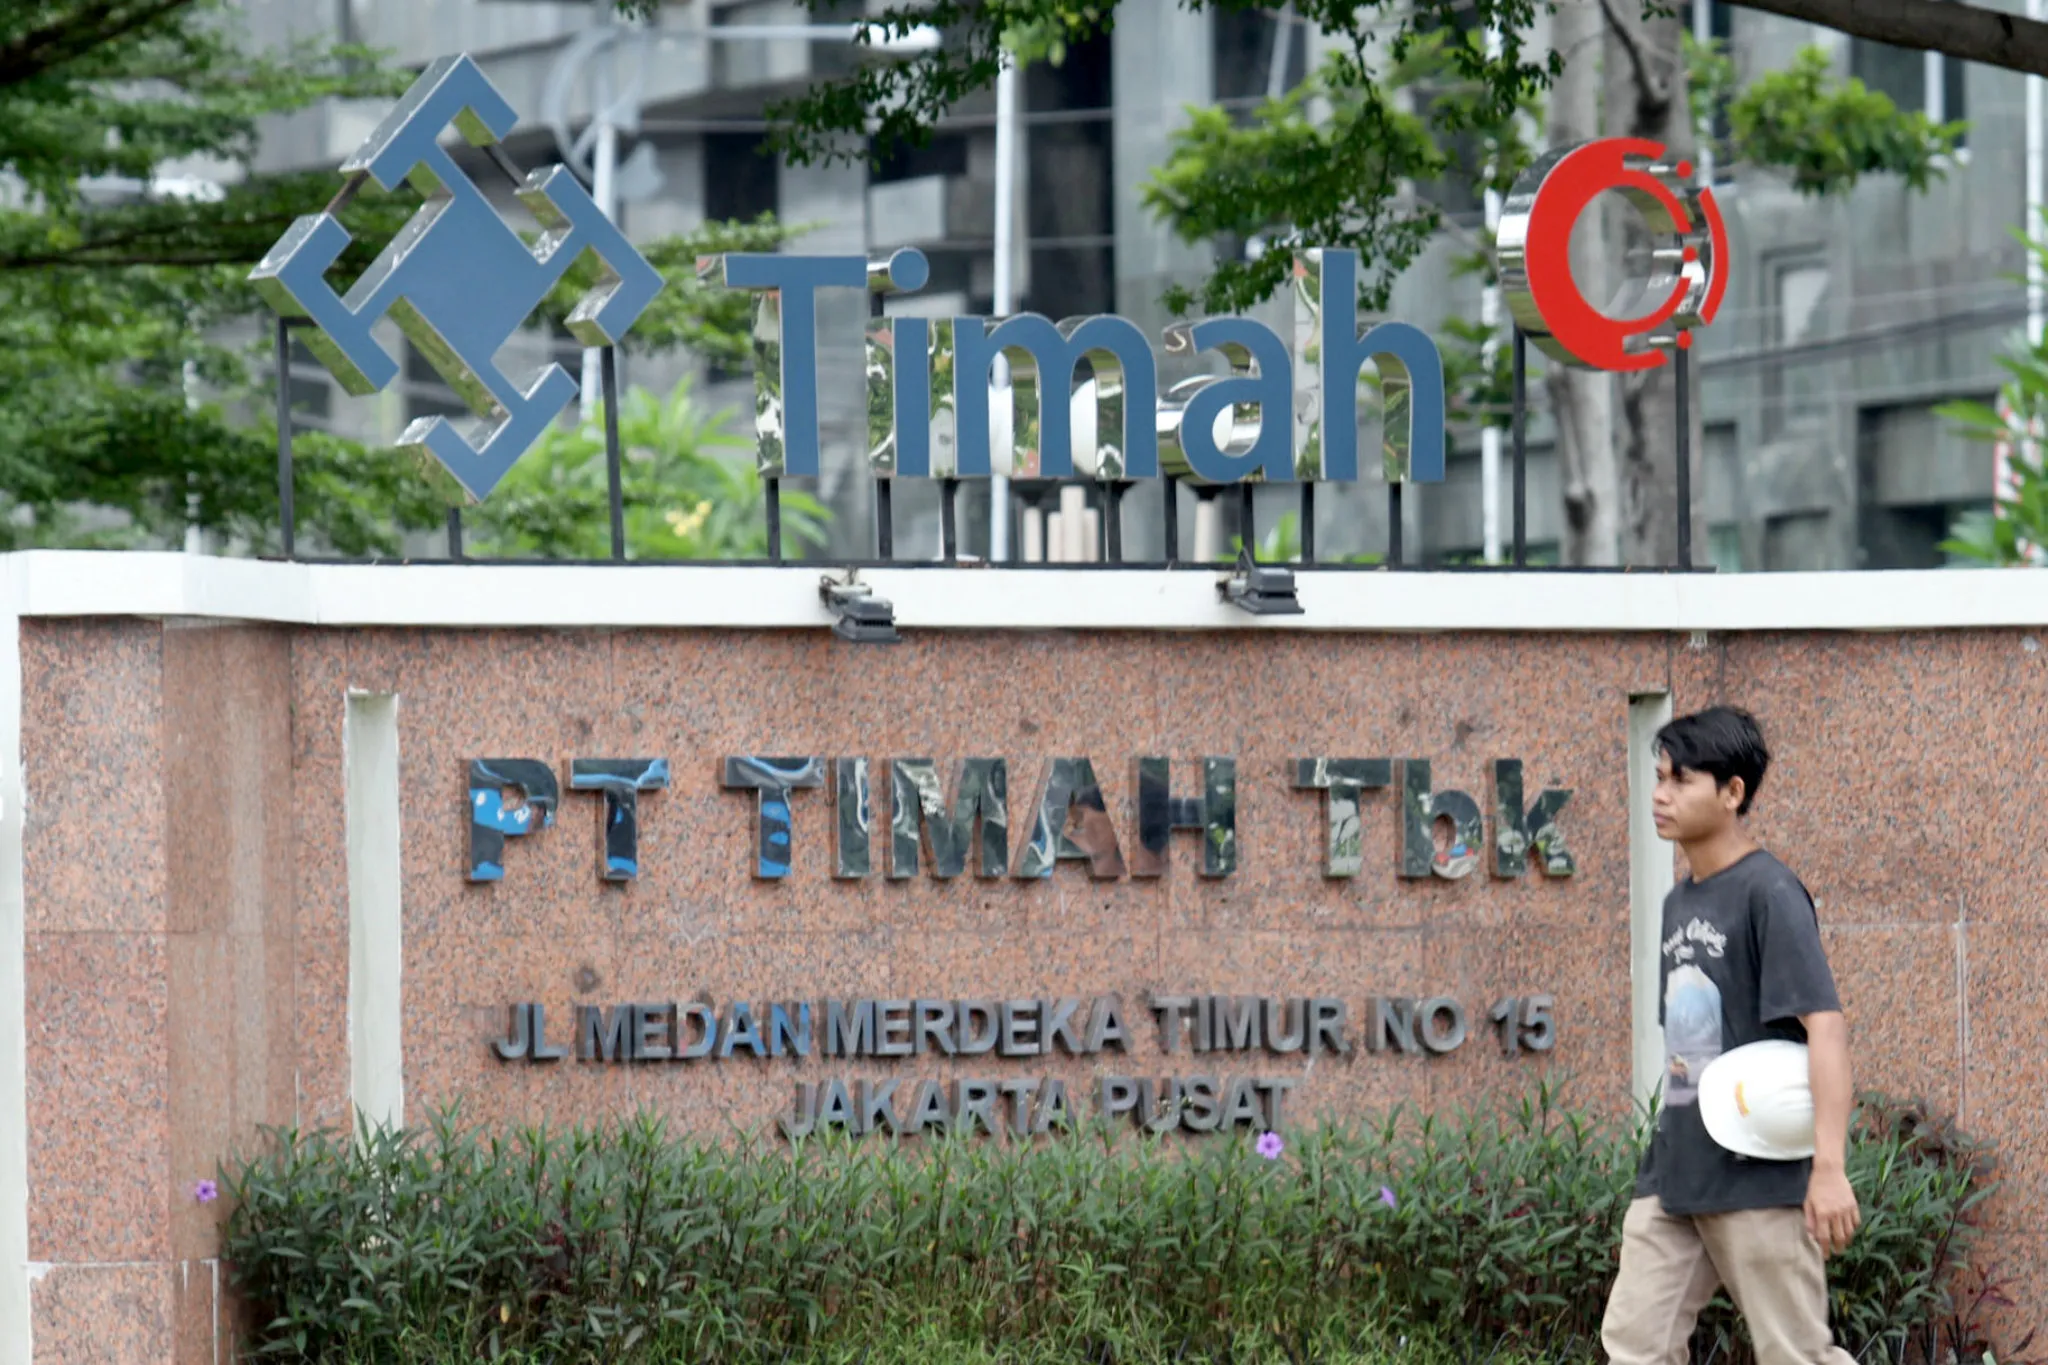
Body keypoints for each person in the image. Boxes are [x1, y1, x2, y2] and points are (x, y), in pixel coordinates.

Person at [1602, 706, 1861, 1365]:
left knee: (1795, 1354)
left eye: (1681, 780)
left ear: (1732, 792)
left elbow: (1825, 1027)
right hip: (1674, 1176)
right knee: (1635, 1346)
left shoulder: (1768, 891)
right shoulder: (1678, 902)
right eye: (1659, 777)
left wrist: (1829, 1167)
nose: (1660, 794)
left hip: (1757, 1175)